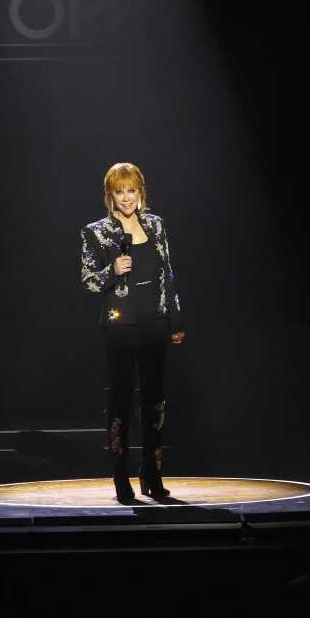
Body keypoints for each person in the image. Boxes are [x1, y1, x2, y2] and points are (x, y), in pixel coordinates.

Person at [80, 162, 185, 504]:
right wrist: (112, 269)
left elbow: (167, 273)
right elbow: (88, 281)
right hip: (119, 324)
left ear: (141, 193)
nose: (126, 197)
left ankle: (152, 473)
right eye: (119, 191)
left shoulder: (156, 225)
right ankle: (120, 476)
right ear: (109, 196)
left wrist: (176, 320)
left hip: (154, 321)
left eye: (132, 190)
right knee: (121, 400)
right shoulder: (96, 232)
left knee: (154, 400)